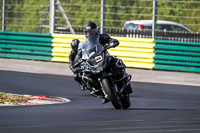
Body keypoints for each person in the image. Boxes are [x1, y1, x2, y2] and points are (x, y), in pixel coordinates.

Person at [69, 22, 132, 94]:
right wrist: (76, 62)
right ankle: (94, 87)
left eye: (93, 31)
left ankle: (123, 77)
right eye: (89, 32)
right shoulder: (83, 45)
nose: (92, 33)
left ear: (96, 30)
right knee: (87, 73)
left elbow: (111, 40)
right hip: (93, 61)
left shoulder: (102, 37)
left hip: (104, 57)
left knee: (116, 61)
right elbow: (79, 55)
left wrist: (112, 43)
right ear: (86, 33)